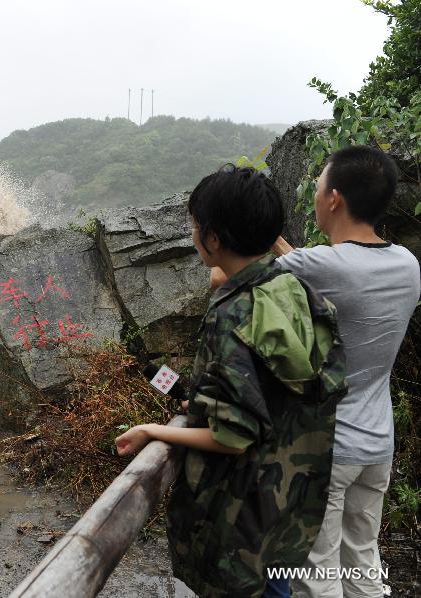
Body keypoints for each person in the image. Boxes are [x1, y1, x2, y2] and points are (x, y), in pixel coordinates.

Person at [116, 164, 348, 598]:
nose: (192, 234)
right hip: (289, 511)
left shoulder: (234, 314)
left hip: (241, 520)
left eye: (195, 225)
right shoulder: (294, 289)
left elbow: (234, 437)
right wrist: (204, 402)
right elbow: (279, 390)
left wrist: (151, 430)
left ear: (215, 238)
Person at [223, 145, 418, 598]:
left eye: (317, 188)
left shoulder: (321, 265)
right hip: (375, 446)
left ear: (334, 199)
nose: (314, 196)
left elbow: (229, 280)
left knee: (317, 575)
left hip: (326, 448)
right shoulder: (407, 265)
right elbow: (320, 269)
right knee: (363, 565)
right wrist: (277, 242)